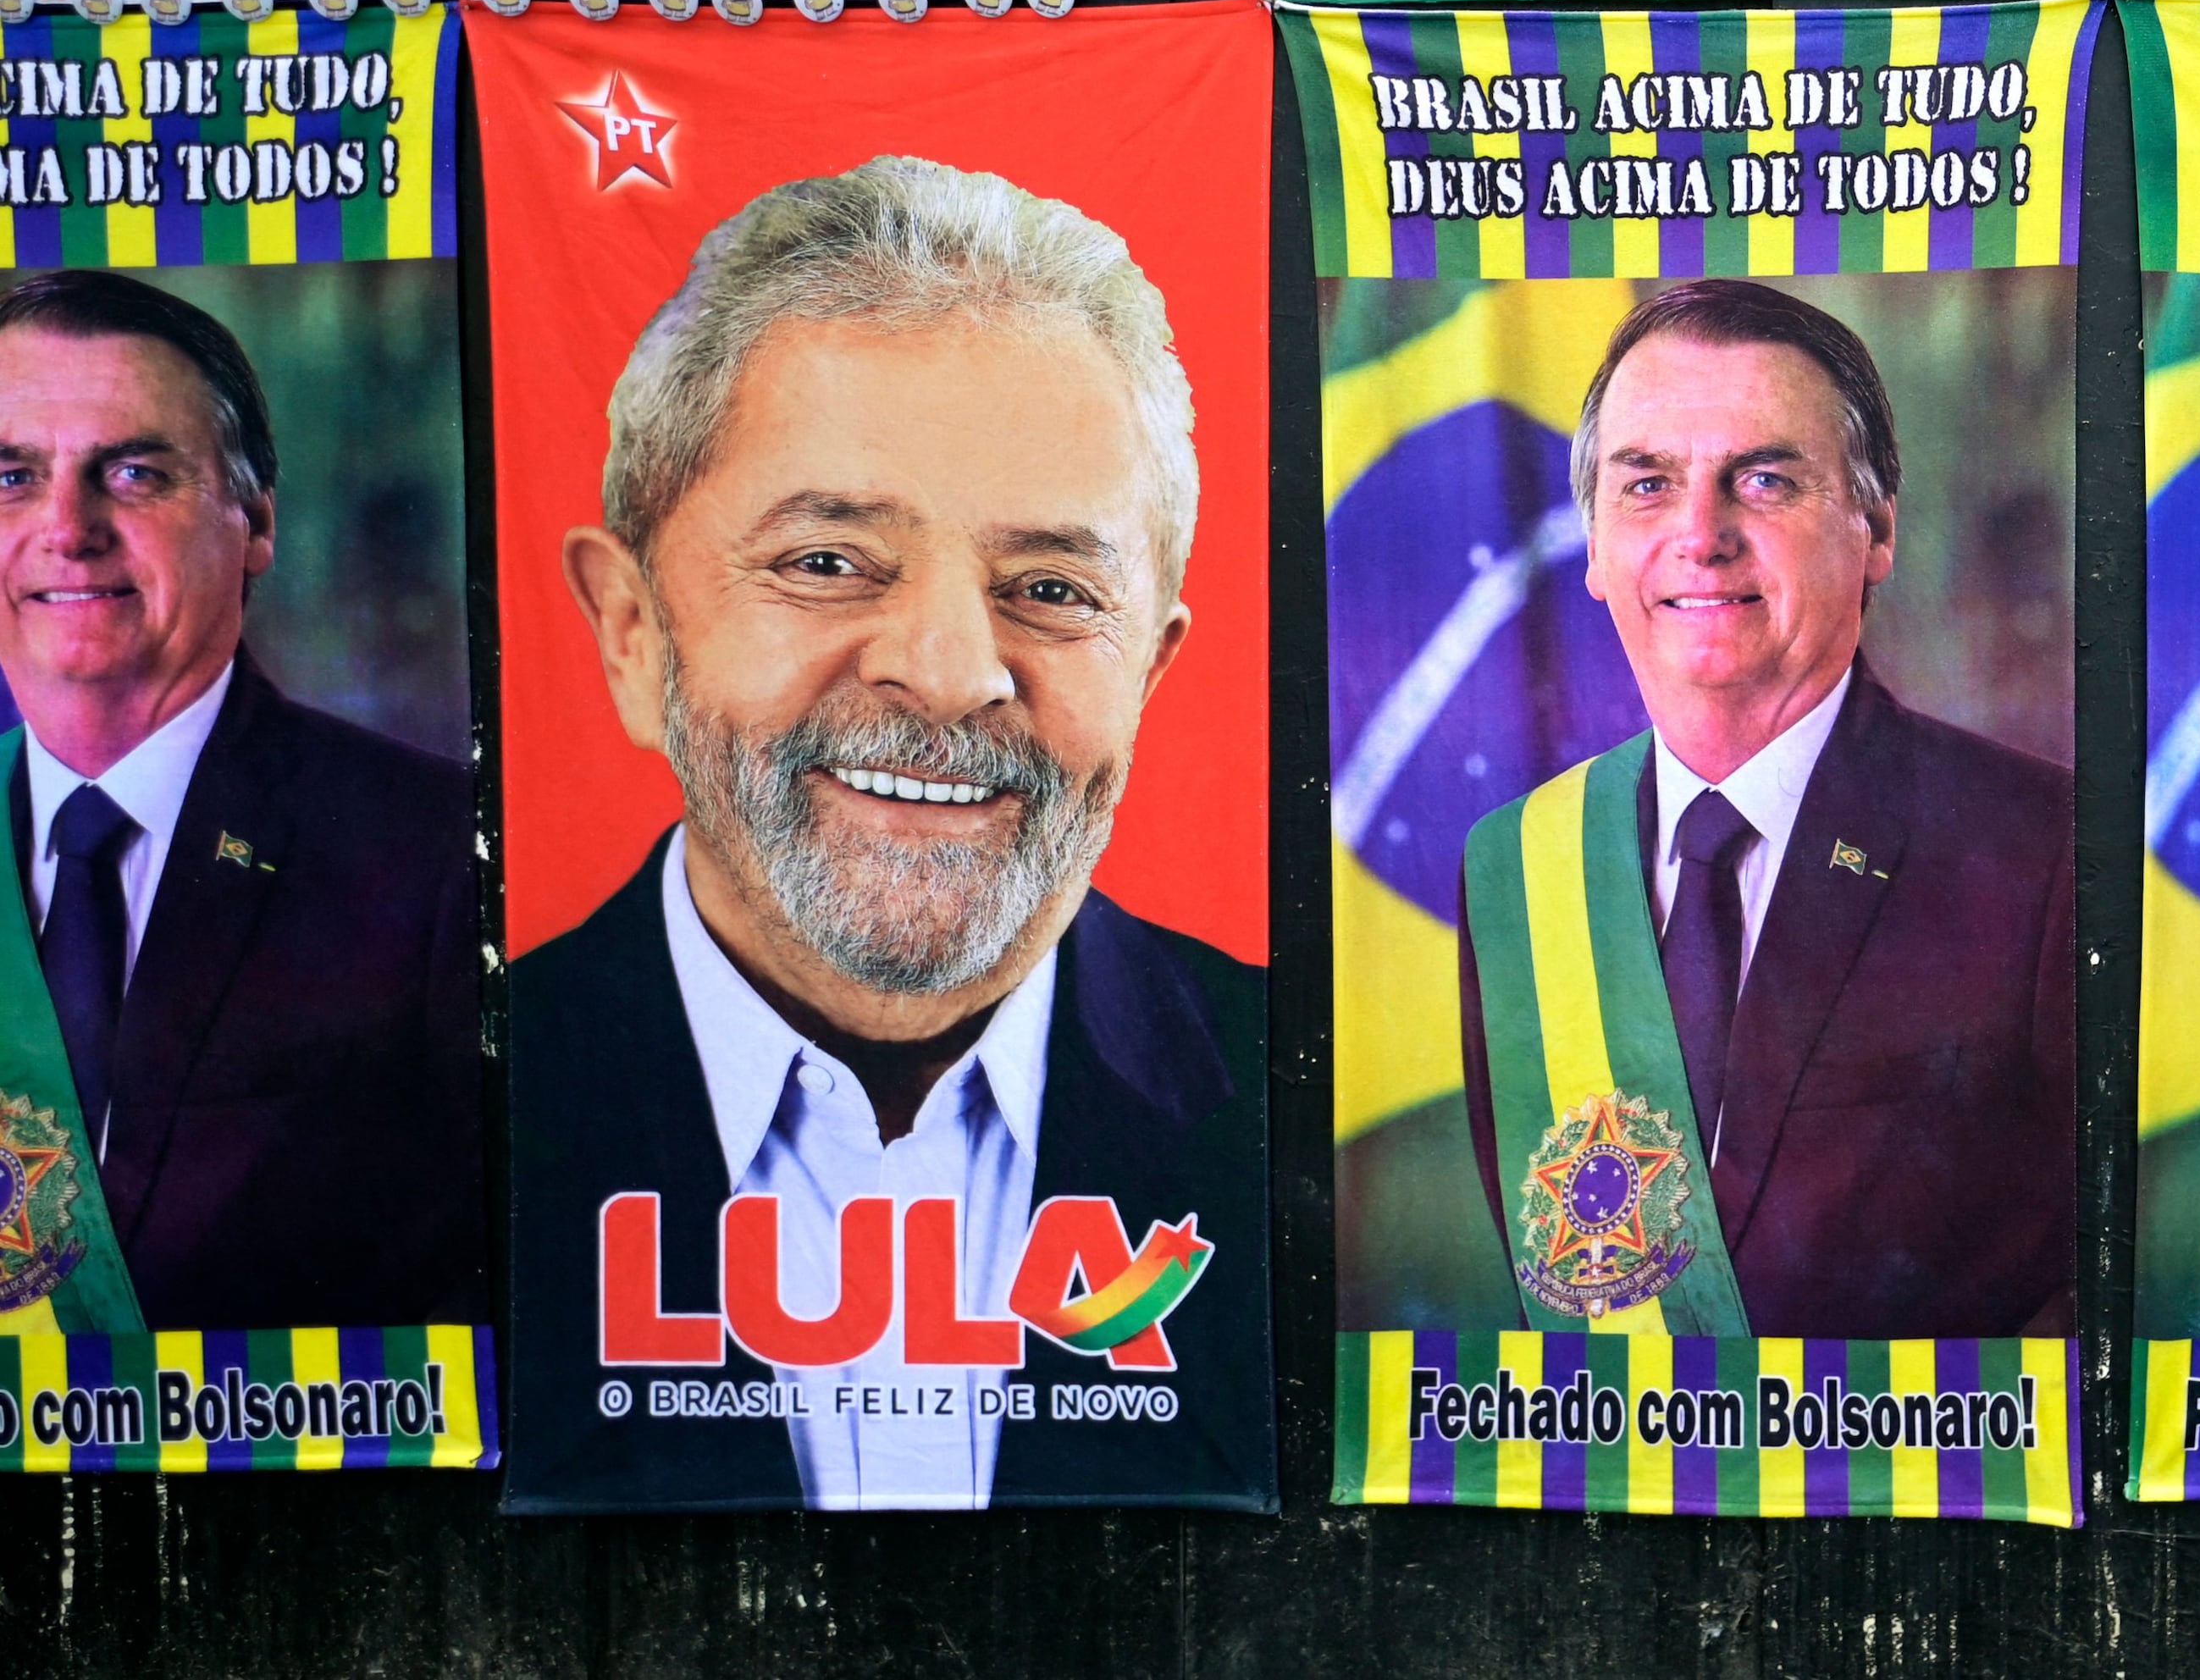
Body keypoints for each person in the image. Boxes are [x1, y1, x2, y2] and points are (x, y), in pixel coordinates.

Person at [505, 158, 1265, 1514]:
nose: (950, 669)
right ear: (633, 632)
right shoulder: (436, 1110)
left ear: (1150, 672)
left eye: (1049, 588)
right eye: (828, 562)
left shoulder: (1306, 1113)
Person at [1457, 279, 2070, 1337]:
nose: (1700, 534)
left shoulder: (2041, 854)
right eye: (1645, 484)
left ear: (1874, 527)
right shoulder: (1516, 864)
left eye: (1764, 479)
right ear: (1594, 544)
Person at [0, 269, 478, 1328]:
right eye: (11, 477)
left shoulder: (439, 857)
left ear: (254, 520)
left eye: (131, 472)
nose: (66, 529)